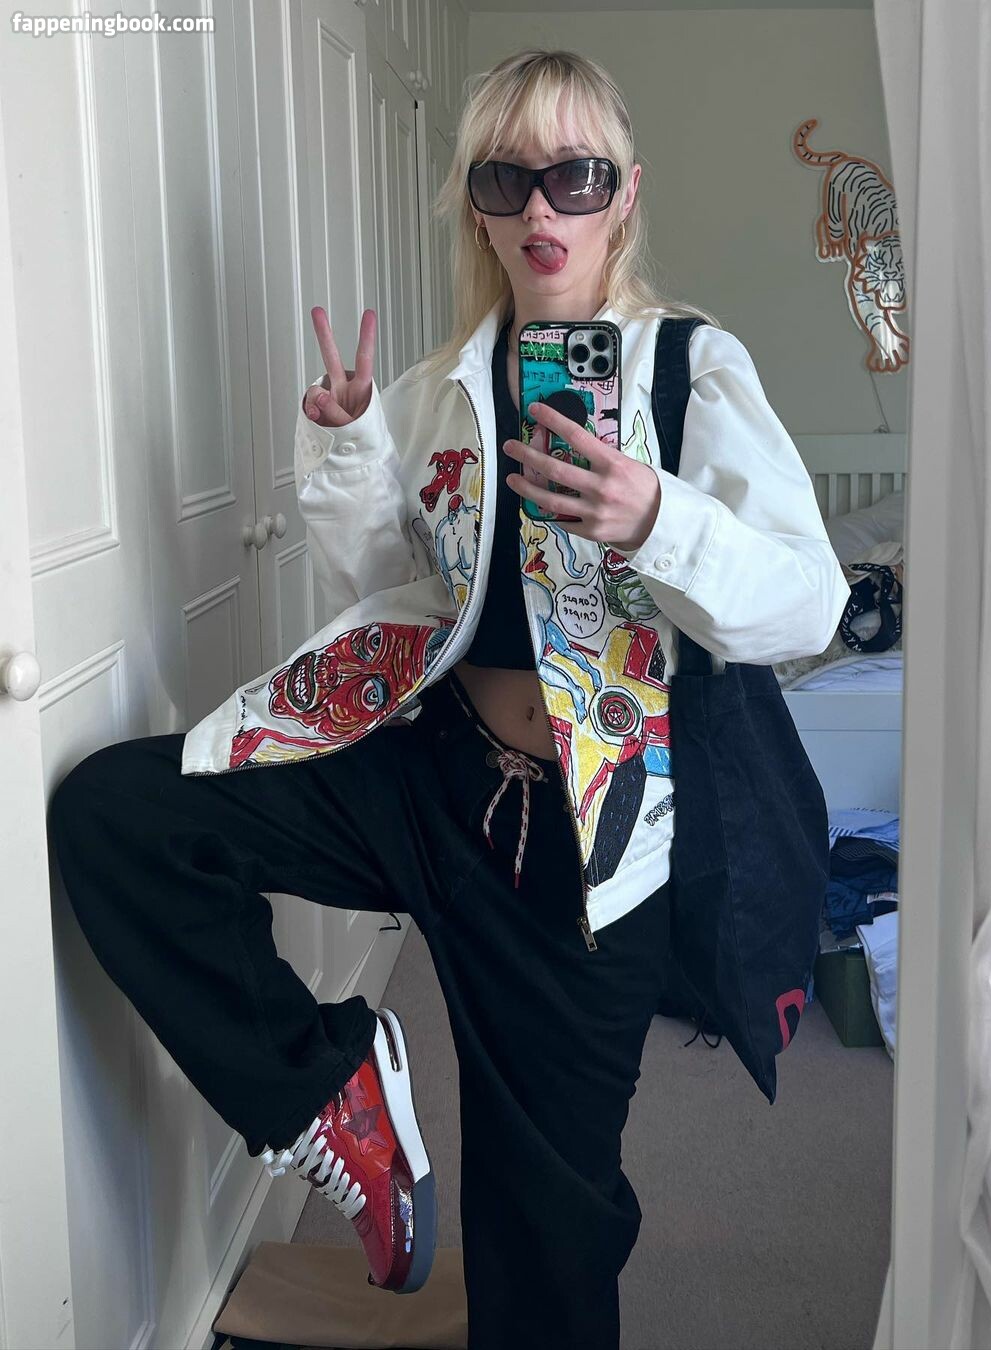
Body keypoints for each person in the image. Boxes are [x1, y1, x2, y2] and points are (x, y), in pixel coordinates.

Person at [46, 48, 850, 1350]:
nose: (541, 208)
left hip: (589, 856)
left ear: (624, 194)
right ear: (475, 205)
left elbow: (809, 602)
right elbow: (409, 595)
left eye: (575, 176)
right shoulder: (446, 388)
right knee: (121, 816)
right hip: (433, 779)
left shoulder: (691, 372)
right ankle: (331, 1086)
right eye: (505, 179)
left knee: (547, 1242)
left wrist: (659, 518)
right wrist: (350, 447)